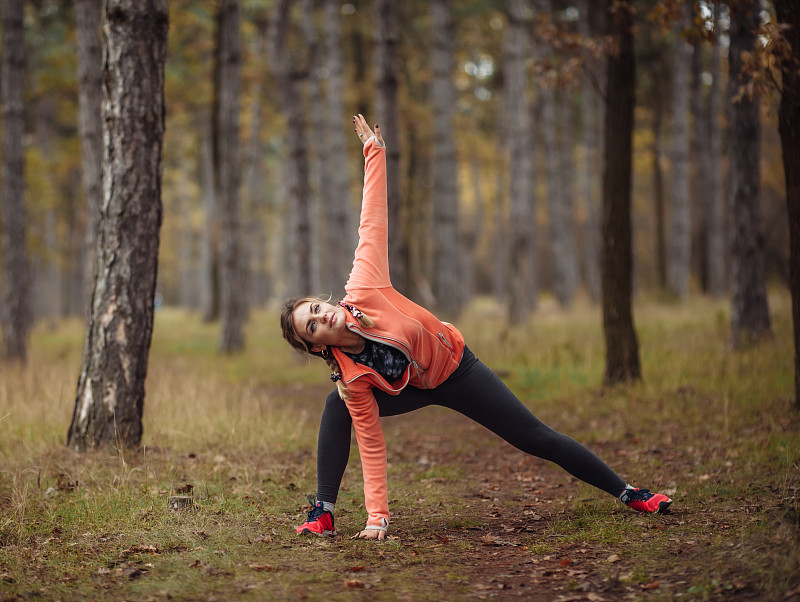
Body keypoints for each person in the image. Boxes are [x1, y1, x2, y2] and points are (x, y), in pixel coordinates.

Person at [280, 115, 672, 541]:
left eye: (317, 308)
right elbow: (371, 446)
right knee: (337, 405)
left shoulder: (364, 285)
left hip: (456, 370)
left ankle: (627, 492)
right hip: (409, 388)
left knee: (536, 438)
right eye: (312, 326)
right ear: (314, 346)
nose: (323, 318)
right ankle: (324, 512)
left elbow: (371, 222)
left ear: (328, 300)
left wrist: (375, 152)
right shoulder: (351, 377)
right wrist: (378, 517)